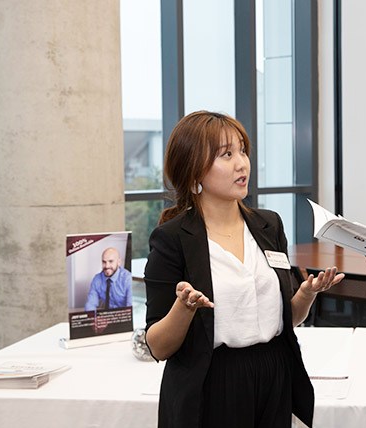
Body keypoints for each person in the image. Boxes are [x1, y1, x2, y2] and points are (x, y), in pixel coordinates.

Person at [143, 111, 344, 428]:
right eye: (226, 154)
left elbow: (283, 318)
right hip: (214, 381)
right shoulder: (172, 240)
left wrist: (305, 295)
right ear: (194, 170)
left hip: (274, 372)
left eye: (242, 150)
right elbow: (158, 345)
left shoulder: (269, 225)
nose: (242, 163)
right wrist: (184, 308)